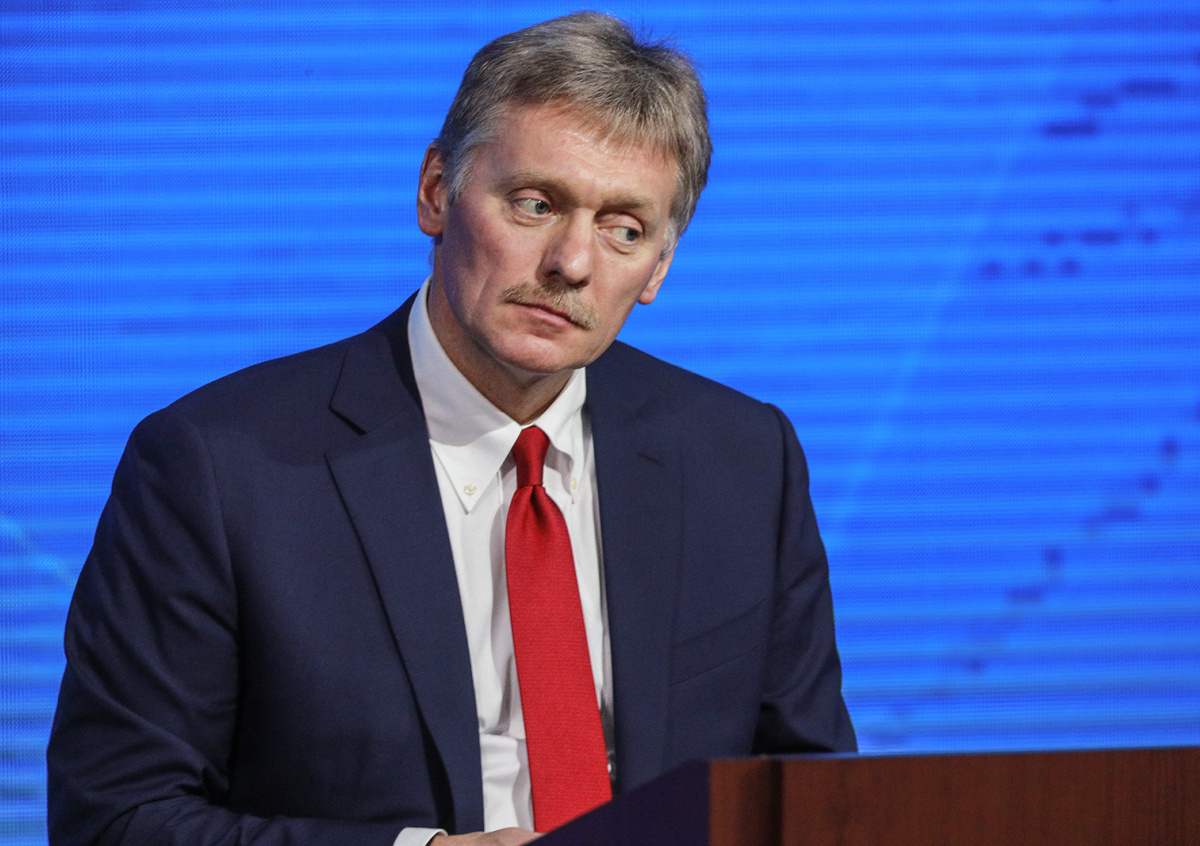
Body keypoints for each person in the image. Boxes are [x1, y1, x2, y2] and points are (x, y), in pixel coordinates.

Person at [47, 11, 856, 846]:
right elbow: (116, 817)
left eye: (625, 229)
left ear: (659, 266)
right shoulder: (217, 468)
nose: (572, 264)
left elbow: (818, 802)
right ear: (437, 191)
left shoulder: (743, 461)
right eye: (535, 204)